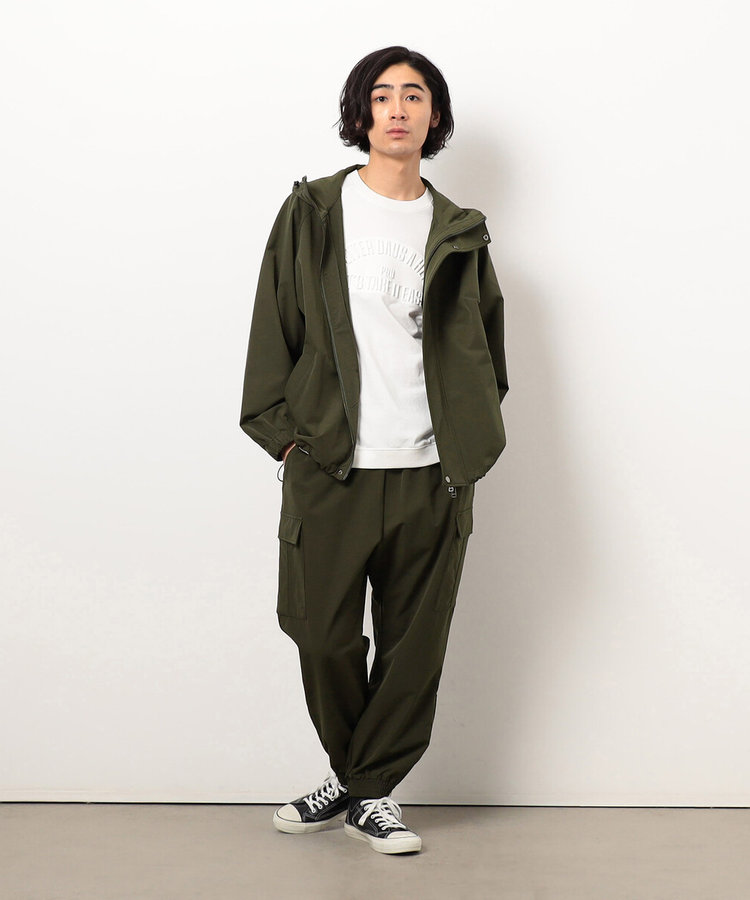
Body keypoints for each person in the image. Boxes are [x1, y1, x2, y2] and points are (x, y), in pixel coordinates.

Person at [239, 45, 509, 855]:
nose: (398, 108)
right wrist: (286, 439)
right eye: (382, 95)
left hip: (432, 473)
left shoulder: (458, 229)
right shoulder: (315, 212)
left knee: (411, 648)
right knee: (319, 633)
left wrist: (468, 444)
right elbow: (273, 326)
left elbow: (486, 355)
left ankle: (367, 789)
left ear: (434, 116)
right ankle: (362, 781)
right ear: (361, 114)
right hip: (331, 466)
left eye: (414, 95)